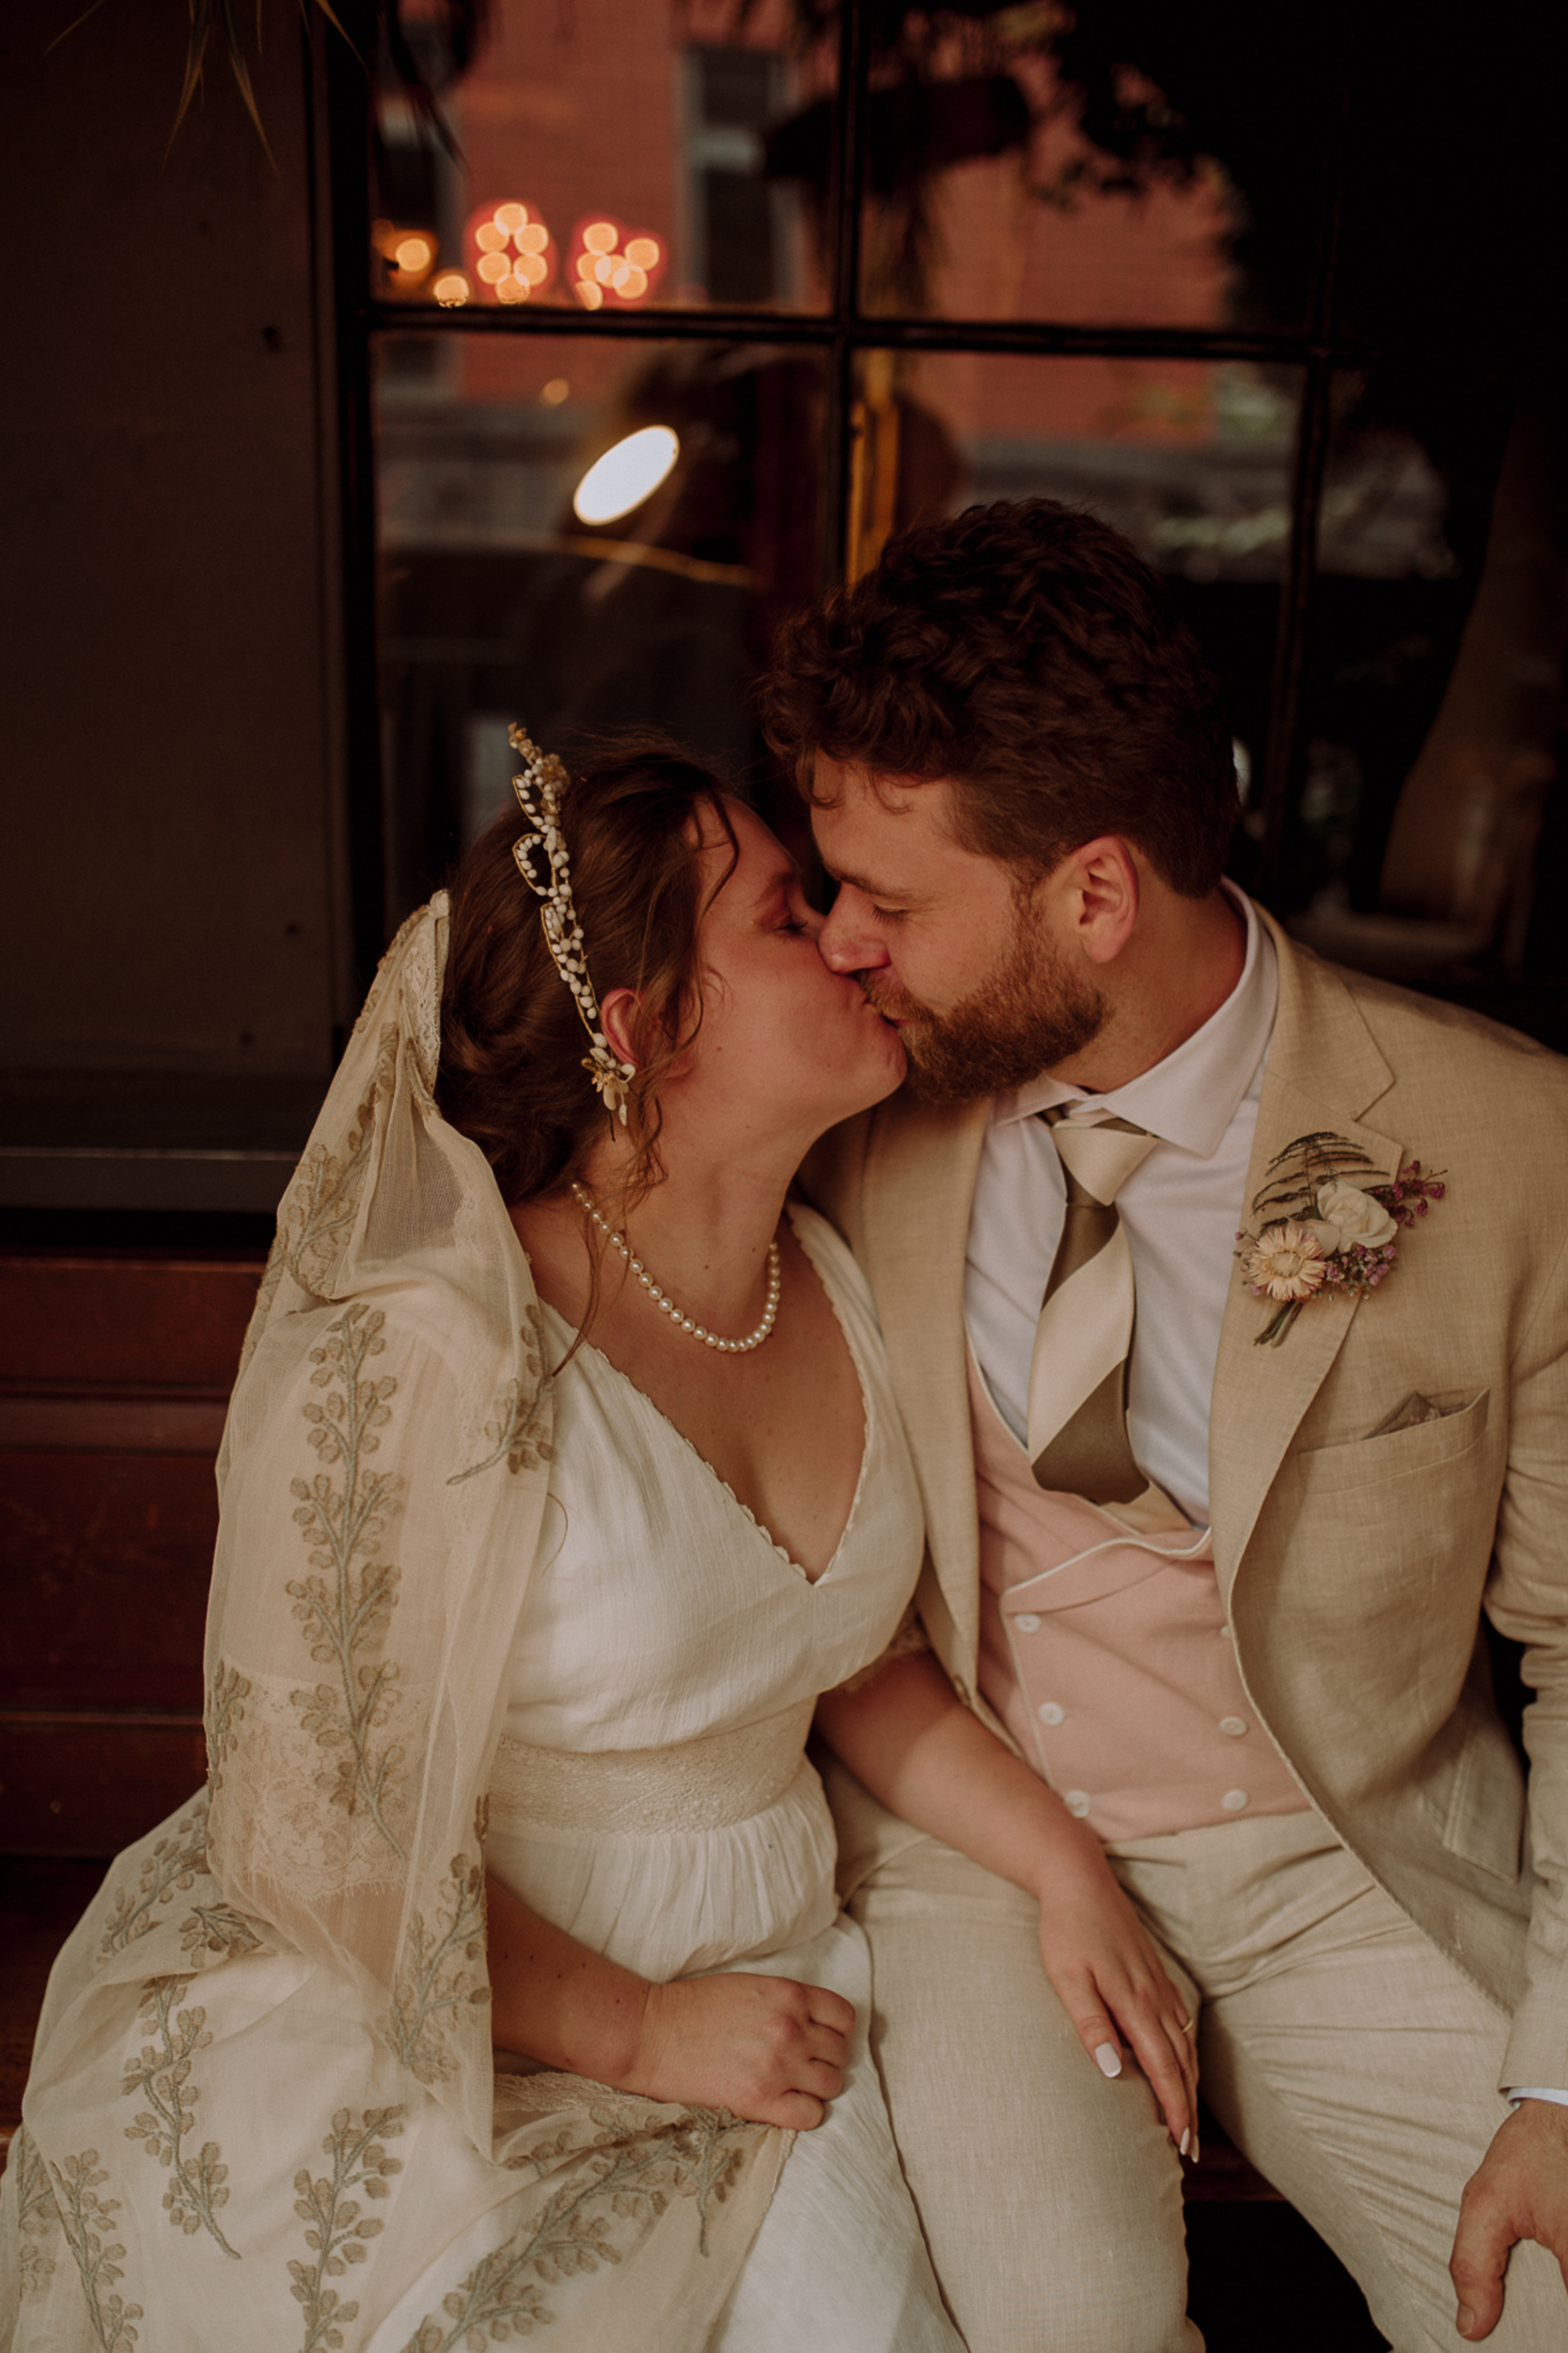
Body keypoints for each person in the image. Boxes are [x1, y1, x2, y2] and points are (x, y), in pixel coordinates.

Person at [0, 731, 1196, 2353]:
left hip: (778, 1985)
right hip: (457, 2004)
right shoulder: (441, 1341)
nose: (852, 937)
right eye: (787, 917)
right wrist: (635, 2028)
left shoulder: (828, 1282)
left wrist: (1065, 1868)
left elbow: (856, 1674)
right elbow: (321, 1819)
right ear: (643, 1029)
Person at [762, 497, 1568, 2353]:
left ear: (1096, 893)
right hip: (978, 1851)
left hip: (1346, 1870)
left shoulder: (1506, 1146)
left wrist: (1557, 2080)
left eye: (895, 900)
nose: (843, 943)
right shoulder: (859, 1114)